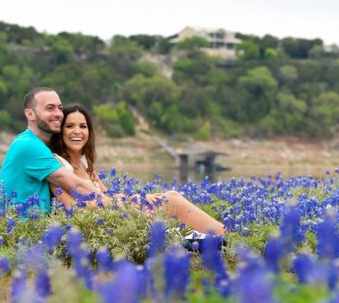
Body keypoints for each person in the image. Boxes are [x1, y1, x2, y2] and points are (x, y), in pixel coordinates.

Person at [48, 102, 226, 241]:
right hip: (101, 227)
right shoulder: (57, 164)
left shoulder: (86, 164)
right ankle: (224, 238)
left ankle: (216, 239)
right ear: (60, 131)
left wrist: (135, 198)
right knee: (172, 200)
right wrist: (123, 203)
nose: (77, 131)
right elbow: (70, 207)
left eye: (83, 126)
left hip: (118, 215)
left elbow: (107, 194)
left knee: (169, 195)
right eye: (70, 126)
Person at [0, 88, 111, 214]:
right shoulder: (28, 145)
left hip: (38, 228)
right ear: (30, 114)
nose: (58, 114)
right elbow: (76, 185)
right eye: (50, 108)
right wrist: (114, 203)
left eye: (60, 108)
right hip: (22, 229)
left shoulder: (38, 145)